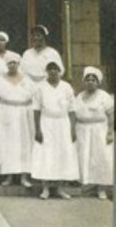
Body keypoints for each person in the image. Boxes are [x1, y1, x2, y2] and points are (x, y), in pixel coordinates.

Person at [32, 61, 79, 199]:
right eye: (50, 69)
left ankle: (59, 188)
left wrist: (72, 129)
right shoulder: (40, 87)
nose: (53, 72)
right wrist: (38, 129)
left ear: (60, 71)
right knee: (46, 154)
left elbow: (72, 110)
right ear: (46, 71)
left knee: (62, 154)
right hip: (46, 123)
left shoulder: (66, 87)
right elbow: (36, 110)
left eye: (56, 69)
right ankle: (45, 188)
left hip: (63, 124)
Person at [0, 53, 35, 188]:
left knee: (24, 144)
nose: (12, 65)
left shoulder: (27, 80)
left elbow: (33, 98)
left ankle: (24, 176)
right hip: (6, 113)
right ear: (6, 65)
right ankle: (8, 176)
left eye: (15, 63)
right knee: (7, 144)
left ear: (19, 64)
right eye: (10, 63)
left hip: (23, 113)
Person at [74, 66, 114, 200]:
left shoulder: (104, 96)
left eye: (93, 79)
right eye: (88, 79)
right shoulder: (79, 96)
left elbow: (111, 115)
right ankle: (88, 185)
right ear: (84, 81)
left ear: (98, 82)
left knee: (100, 158)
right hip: (82, 130)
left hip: (99, 130)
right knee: (85, 158)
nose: (90, 81)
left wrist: (110, 132)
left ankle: (101, 188)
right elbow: (74, 114)